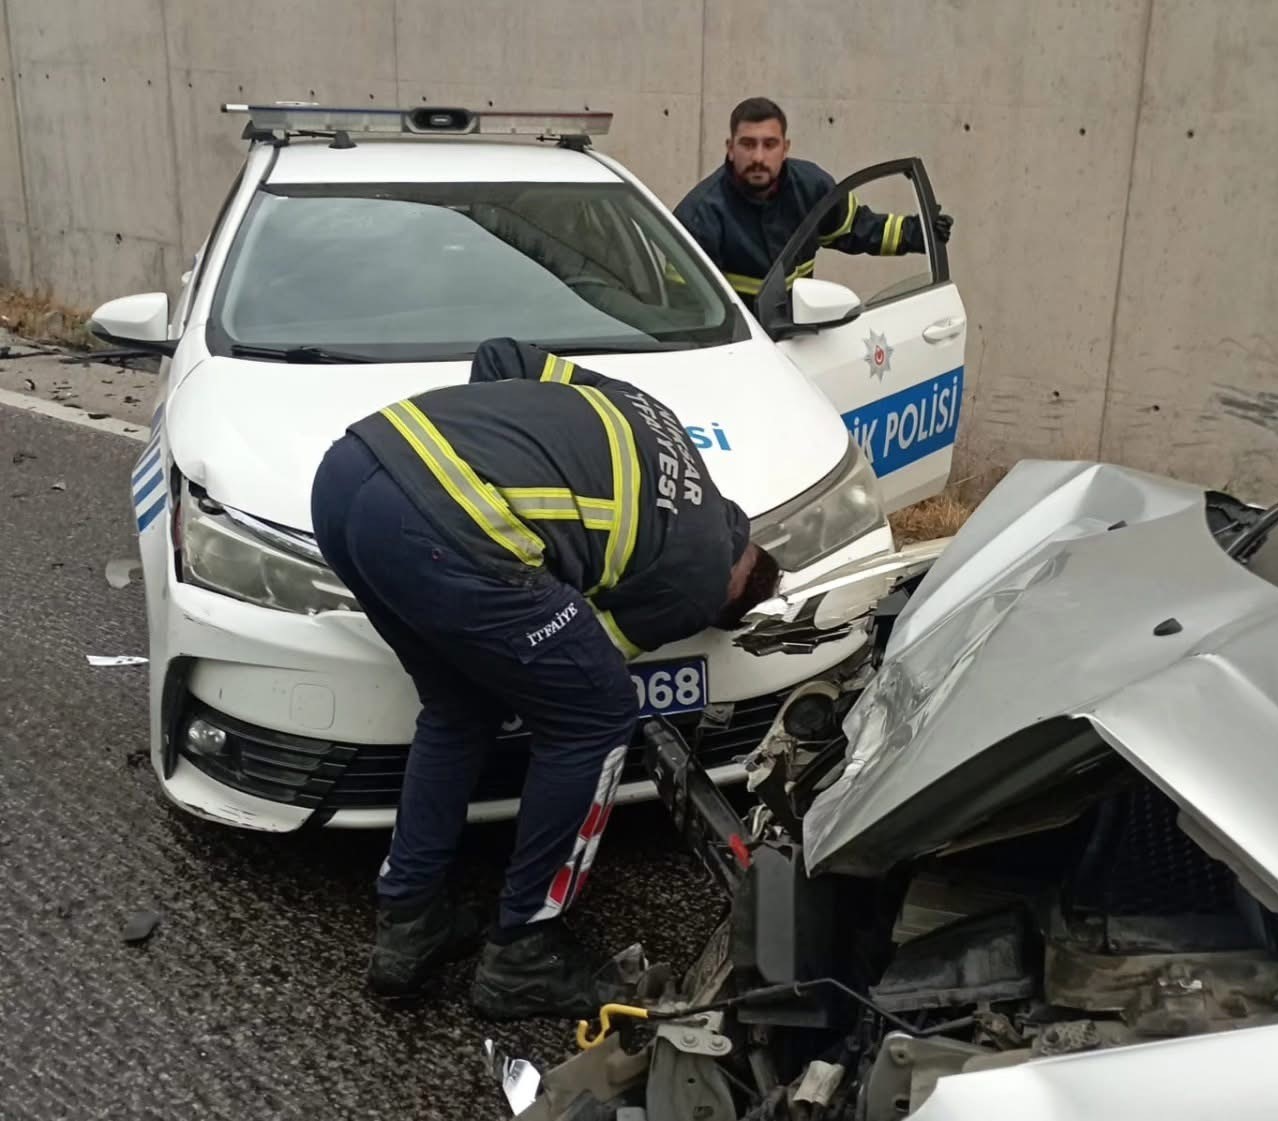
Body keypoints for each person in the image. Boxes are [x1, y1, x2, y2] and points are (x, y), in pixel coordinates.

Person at [309, 336, 780, 1019]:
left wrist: (495, 443)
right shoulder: (701, 580)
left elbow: (502, 359)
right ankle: (524, 953)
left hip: (357, 470)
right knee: (597, 713)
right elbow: (580, 668)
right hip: (446, 526)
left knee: (458, 705)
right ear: (731, 600)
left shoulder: (662, 418)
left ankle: (410, 920)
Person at [675, 96, 954, 309]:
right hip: (739, 352)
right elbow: (687, 311)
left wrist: (919, 233)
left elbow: (859, 229)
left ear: (785, 148)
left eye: (769, 144)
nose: (758, 157)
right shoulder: (701, 214)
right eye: (748, 144)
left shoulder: (811, 188)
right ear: (730, 148)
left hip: (799, 341)